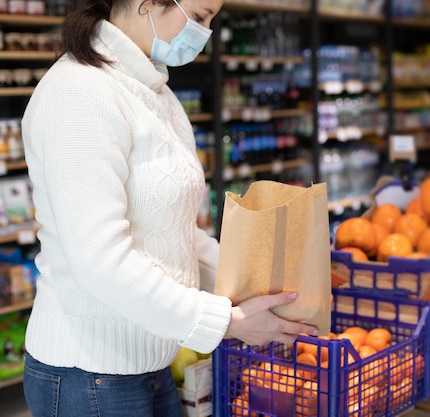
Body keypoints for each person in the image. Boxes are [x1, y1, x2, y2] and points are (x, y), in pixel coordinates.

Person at [20, 0, 319, 415]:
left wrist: (272, 282)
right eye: (198, 18)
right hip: (88, 373)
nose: (205, 36)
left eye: (213, 21)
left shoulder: (157, 94)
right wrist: (226, 322)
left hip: (155, 358)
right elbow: (98, 259)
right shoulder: (78, 93)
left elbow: (178, 230)